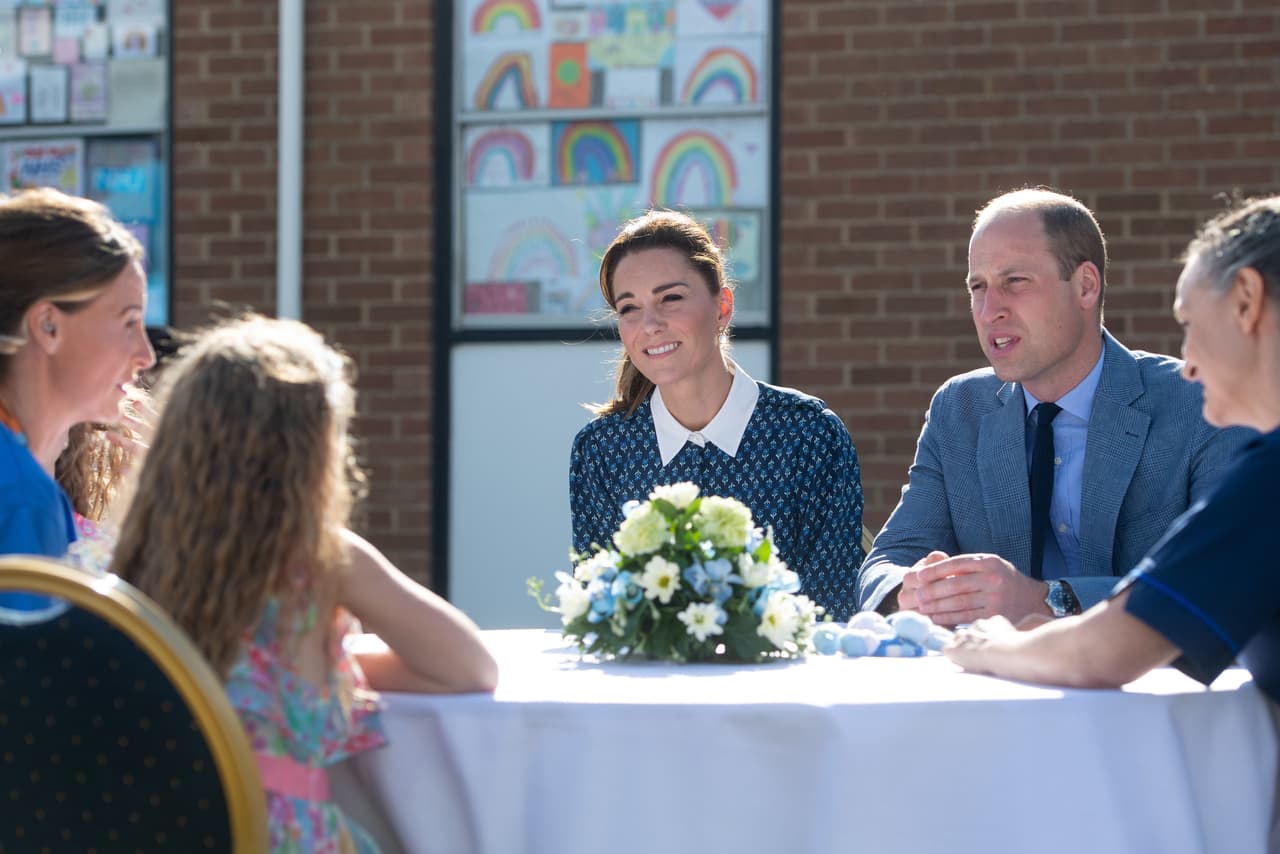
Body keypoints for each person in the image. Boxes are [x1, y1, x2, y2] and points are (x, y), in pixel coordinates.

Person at [112, 315, 498, 853]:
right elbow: (469, 668)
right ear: (310, 448)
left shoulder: (138, 554)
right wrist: (329, 672)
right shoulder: (317, 556)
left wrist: (328, 669)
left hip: (167, 829)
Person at [857, 188, 1251, 626]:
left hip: (1153, 685)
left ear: (1085, 285)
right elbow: (888, 560)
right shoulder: (959, 408)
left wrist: (1046, 600)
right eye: (978, 286)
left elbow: (1225, 574)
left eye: (1014, 282)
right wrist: (911, 592)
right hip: (993, 682)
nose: (990, 311)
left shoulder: (1198, 402)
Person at [944, 194, 1280, 703]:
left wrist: (991, 645)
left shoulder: (1269, 478)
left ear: (1247, 301)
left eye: (1190, 325)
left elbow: (1104, 652)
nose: (1187, 364)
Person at [570, 209, 864, 620]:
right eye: (629, 308)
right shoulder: (602, 449)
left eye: (670, 298)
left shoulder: (810, 435)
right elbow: (600, 612)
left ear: (722, 307)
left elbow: (830, 611)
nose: (649, 324)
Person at [0, 188, 155, 619]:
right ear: (48, 325)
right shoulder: (21, 496)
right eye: (128, 322)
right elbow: (31, 684)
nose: (146, 354)